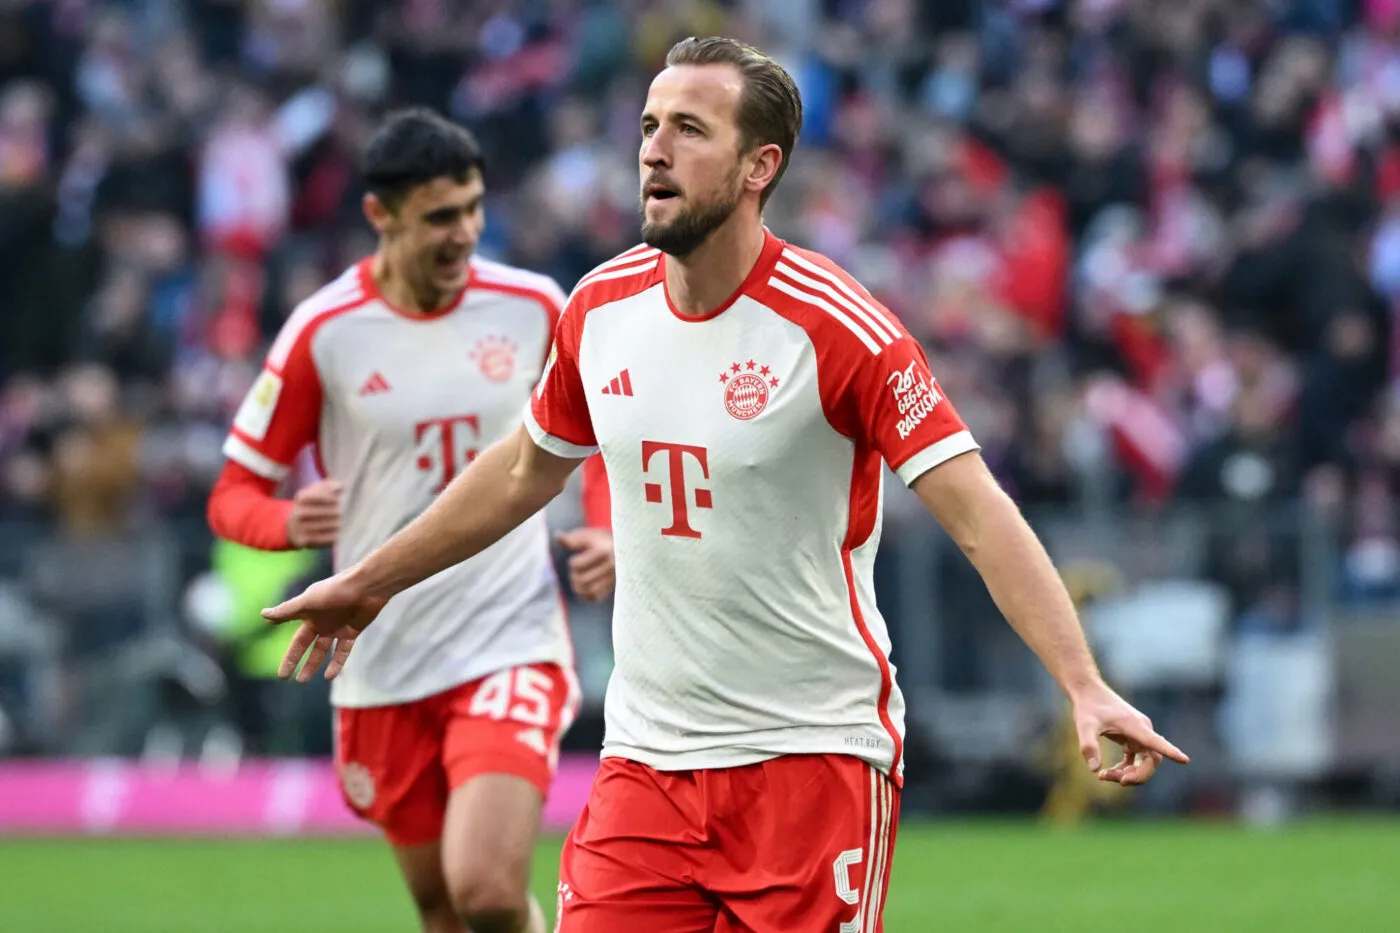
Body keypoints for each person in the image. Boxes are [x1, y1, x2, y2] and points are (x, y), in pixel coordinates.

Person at [262, 39, 1189, 932]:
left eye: (690, 130)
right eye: (648, 124)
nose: (654, 149)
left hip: (811, 760)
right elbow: (518, 472)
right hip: (646, 764)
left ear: (759, 166)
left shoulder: (838, 328)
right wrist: (370, 580)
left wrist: (1084, 683)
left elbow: (980, 514)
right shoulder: (599, 309)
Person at [208, 108, 615, 933]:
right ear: (379, 215)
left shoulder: (536, 306)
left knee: (489, 890)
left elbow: (606, 433)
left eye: (472, 208)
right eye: (441, 215)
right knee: (440, 909)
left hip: (510, 635)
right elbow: (232, 494)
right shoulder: (323, 332)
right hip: (381, 655)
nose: (465, 231)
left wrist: (607, 524)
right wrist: (288, 522)